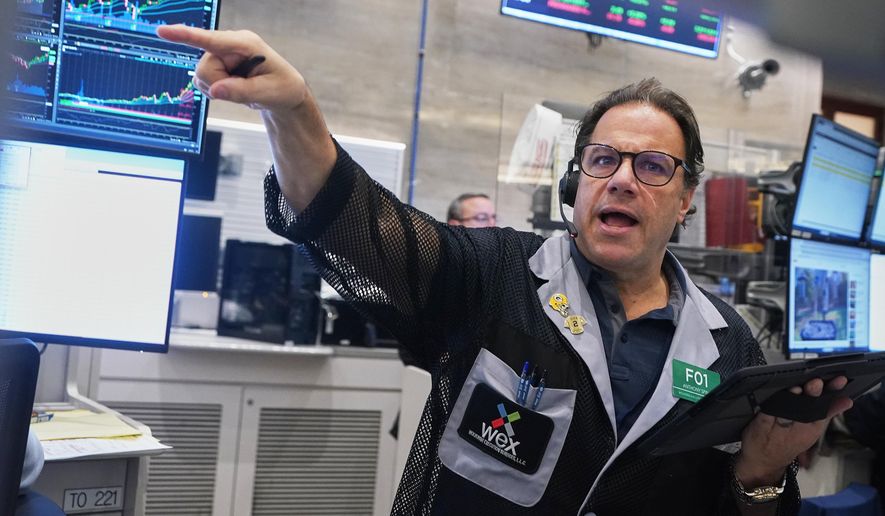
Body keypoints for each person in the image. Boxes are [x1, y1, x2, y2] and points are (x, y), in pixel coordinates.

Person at [157, 25, 853, 515]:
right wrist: (294, 113)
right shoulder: (491, 274)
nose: (620, 180)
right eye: (603, 160)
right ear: (577, 183)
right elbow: (357, 226)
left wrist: (762, 473)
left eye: (652, 166)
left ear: (684, 200)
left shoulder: (728, 347)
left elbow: (734, 503)